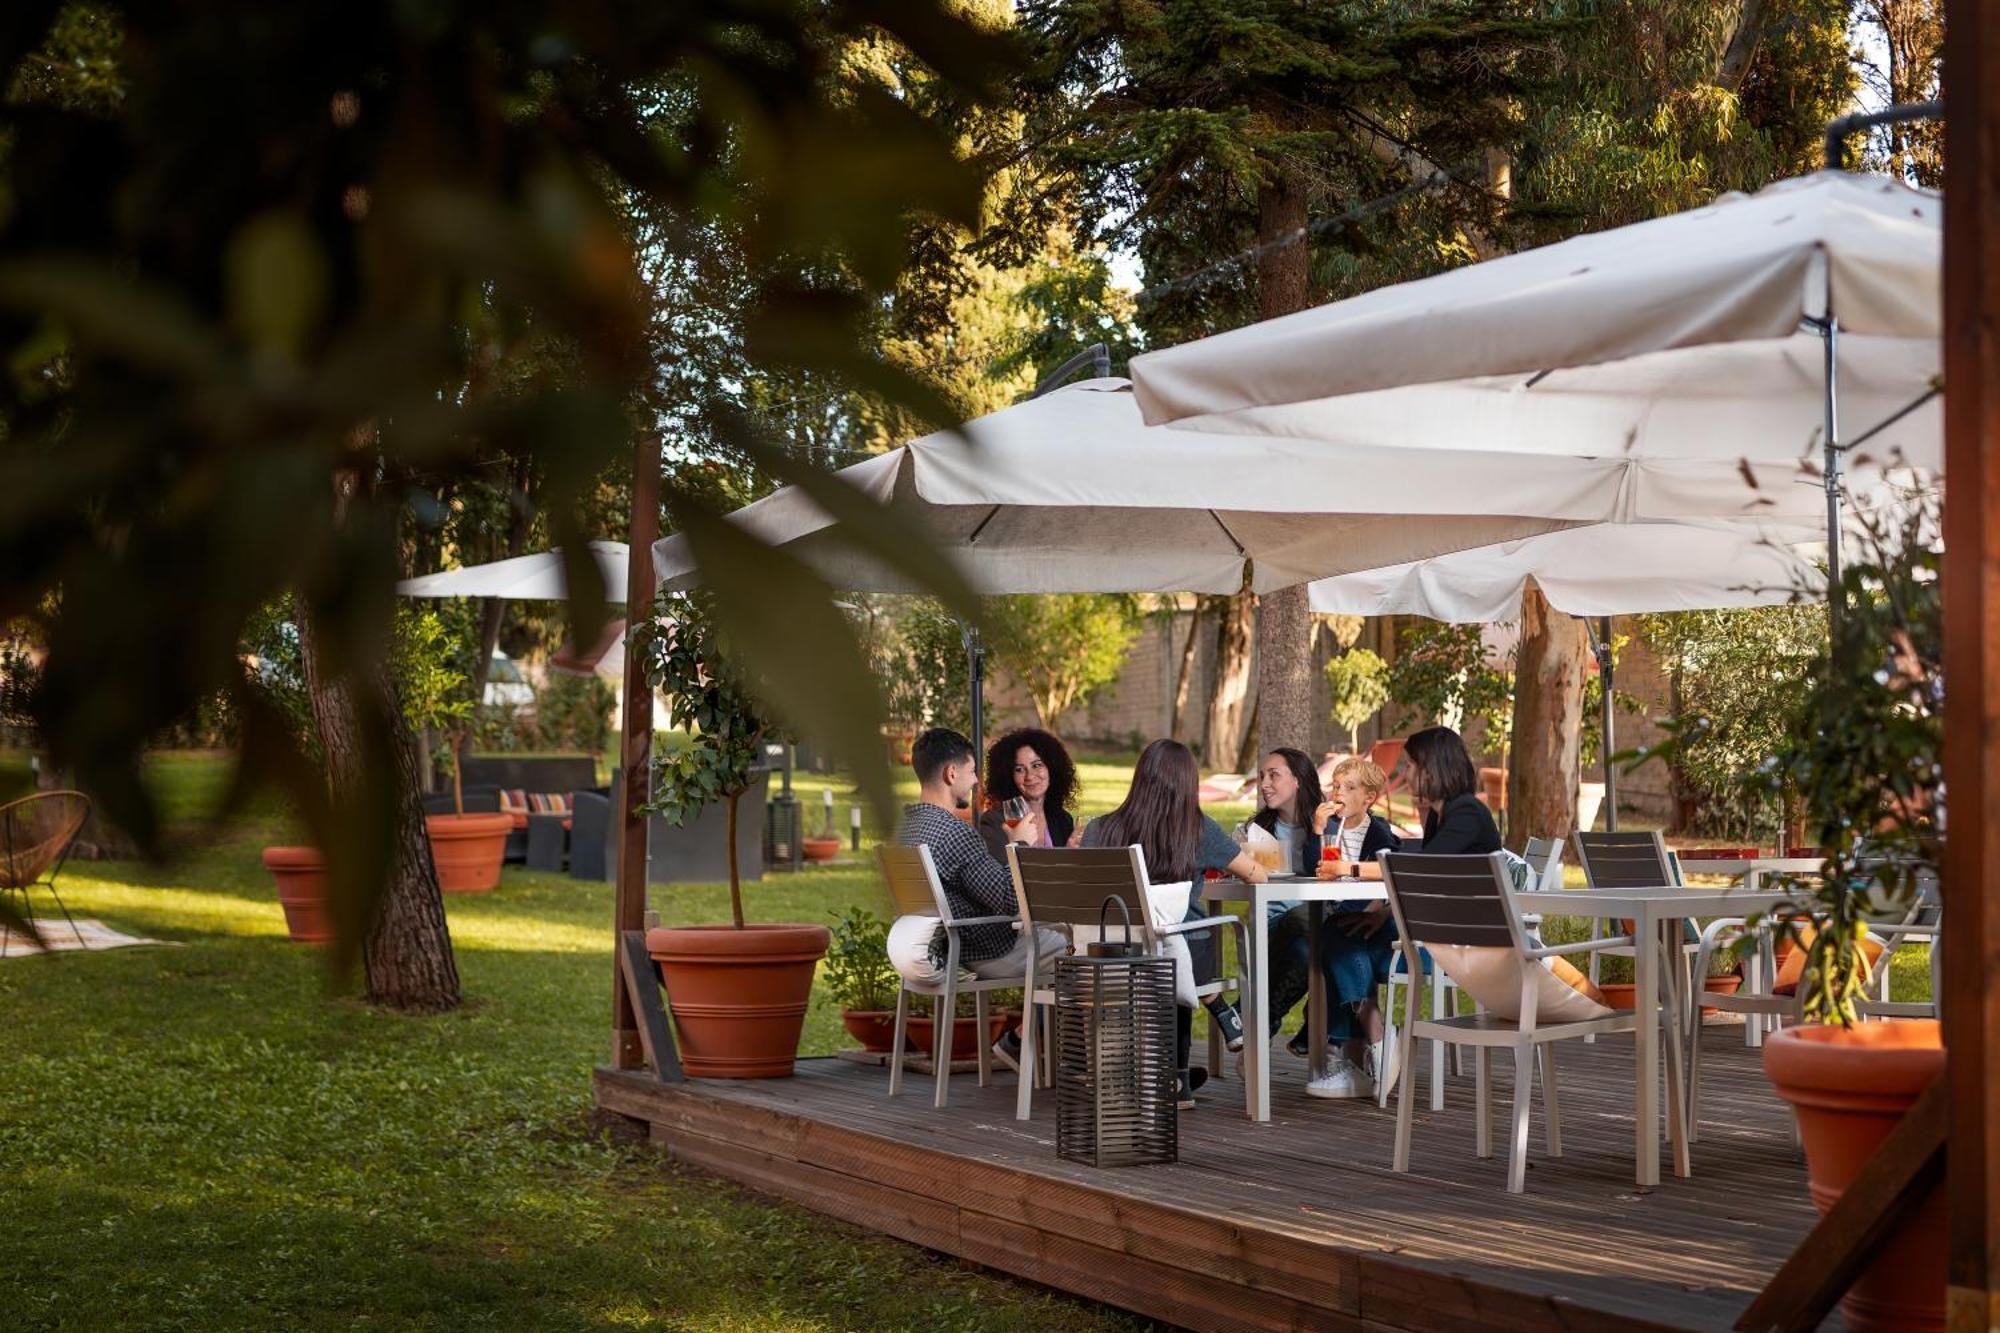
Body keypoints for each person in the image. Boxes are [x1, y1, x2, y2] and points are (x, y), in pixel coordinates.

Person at [1304, 726, 1498, 1100]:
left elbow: (1422, 868)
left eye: (1411, 764)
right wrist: (1382, 915)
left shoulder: (1467, 812)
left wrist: (1351, 868)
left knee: (1339, 941)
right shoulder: (1440, 815)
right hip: (1433, 930)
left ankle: (1372, 1045)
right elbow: (1421, 876)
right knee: (1343, 931)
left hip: (1461, 947)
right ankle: (1370, 1052)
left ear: (1434, 768)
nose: (1405, 773)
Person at [1080, 739, 1267, 1108]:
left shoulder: (1099, 829)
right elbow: (1257, 876)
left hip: (1109, 952)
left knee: (1168, 944)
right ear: (1187, 783)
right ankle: (1184, 1063)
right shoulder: (1197, 829)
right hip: (1176, 955)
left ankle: (1172, 1075)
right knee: (1178, 941)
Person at [892, 727, 1067, 1074]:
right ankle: (1069, 1058)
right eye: (972, 772)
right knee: (1089, 953)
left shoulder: (905, 827)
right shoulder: (955, 833)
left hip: (953, 946)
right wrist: (1018, 845)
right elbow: (1006, 899)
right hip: (990, 949)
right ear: (951, 773)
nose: (975, 783)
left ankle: (1030, 1046)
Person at [1260, 757, 1400, 1058]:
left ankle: (1291, 1023)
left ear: (1369, 798)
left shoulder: (1377, 830)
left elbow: (1389, 870)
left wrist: (1375, 907)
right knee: (1301, 939)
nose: (1339, 793)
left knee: (1302, 931)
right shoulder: (1331, 826)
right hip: (1330, 907)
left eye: (1349, 788)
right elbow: (1315, 868)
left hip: (1356, 912)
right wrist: (1318, 829)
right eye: (1336, 786)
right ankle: (1315, 1028)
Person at [977, 727, 1078, 857]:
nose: (1029, 776)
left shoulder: (1062, 819)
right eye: (1019, 769)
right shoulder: (995, 821)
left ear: (1052, 768)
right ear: (1008, 776)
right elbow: (1003, 874)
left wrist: (1069, 855)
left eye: (1037, 765)